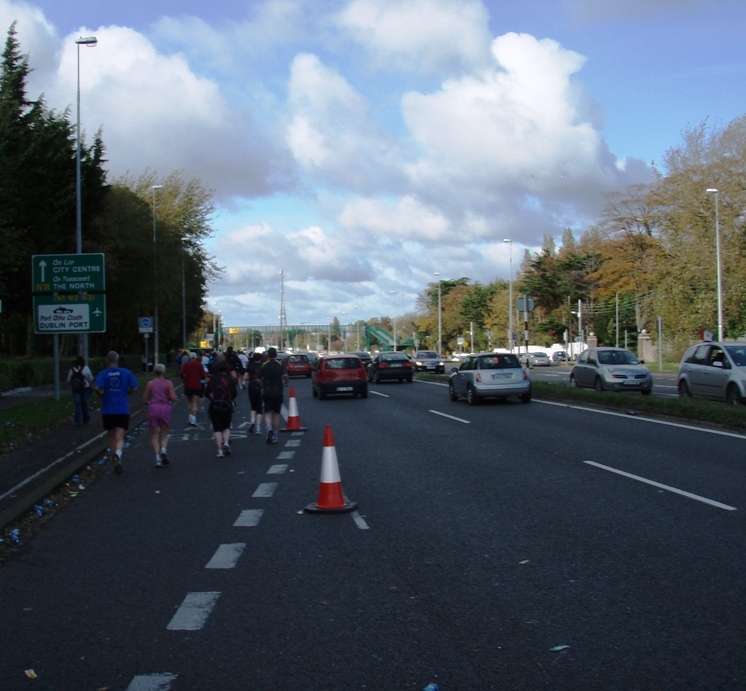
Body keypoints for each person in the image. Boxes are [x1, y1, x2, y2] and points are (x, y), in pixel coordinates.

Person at [94, 351, 138, 475]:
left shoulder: (103, 373)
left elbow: (97, 387)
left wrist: (101, 395)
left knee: (112, 436)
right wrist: (127, 392)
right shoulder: (126, 372)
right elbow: (134, 388)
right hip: (122, 409)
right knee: (120, 436)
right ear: (117, 360)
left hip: (108, 409)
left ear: (107, 361)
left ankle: (116, 462)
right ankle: (118, 453)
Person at [142, 363, 177, 467]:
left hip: (153, 408)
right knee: (164, 433)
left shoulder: (150, 383)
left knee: (154, 435)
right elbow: (173, 398)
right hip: (165, 407)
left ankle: (157, 458)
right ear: (164, 372)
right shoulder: (168, 383)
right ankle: (163, 450)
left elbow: (144, 399)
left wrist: (149, 403)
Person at [204, 359, 237, 457]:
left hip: (215, 405)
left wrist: (212, 398)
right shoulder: (230, 379)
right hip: (226, 404)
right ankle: (226, 442)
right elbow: (235, 392)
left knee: (217, 428)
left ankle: (219, 450)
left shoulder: (213, 379)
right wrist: (229, 399)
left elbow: (206, 392)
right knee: (226, 426)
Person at [258, 347, 289, 445]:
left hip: (266, 392)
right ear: (276, 355)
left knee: (267, 413)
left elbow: (258, 379)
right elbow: (285, 375)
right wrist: (286, 382)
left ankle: (269, 429)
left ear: (268, 355)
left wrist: (262, 383)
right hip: (278, 392)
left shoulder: (264, 365)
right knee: (276, 414)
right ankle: (275, 435)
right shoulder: (280, 364)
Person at [179, 351, 206, 426]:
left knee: (189, 402)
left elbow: (181, 373)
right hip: (197, 385)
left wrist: (184, 378)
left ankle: (190, 418)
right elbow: (203, 375)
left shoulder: (186, 365)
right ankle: (193, 419)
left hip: (188, 385)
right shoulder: (199, 365)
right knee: (195, 402)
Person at [67, 355, 94, 427]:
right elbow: (91, 378)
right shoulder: (86, 368)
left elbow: (68, 380)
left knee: (78, 404)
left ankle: (78, 421)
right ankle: (86, 418)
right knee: (84, 403)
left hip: (76, 389)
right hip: (85, 388)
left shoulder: (72, 369)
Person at [244, 351, 264, 435]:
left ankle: (252, 421)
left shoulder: (250, 366)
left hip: (251, 386)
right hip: (261, 387)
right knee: (259, 408)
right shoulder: (263, 366)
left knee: (253, 406)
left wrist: (251, 378)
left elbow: (245, 378)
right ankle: (258, 427)